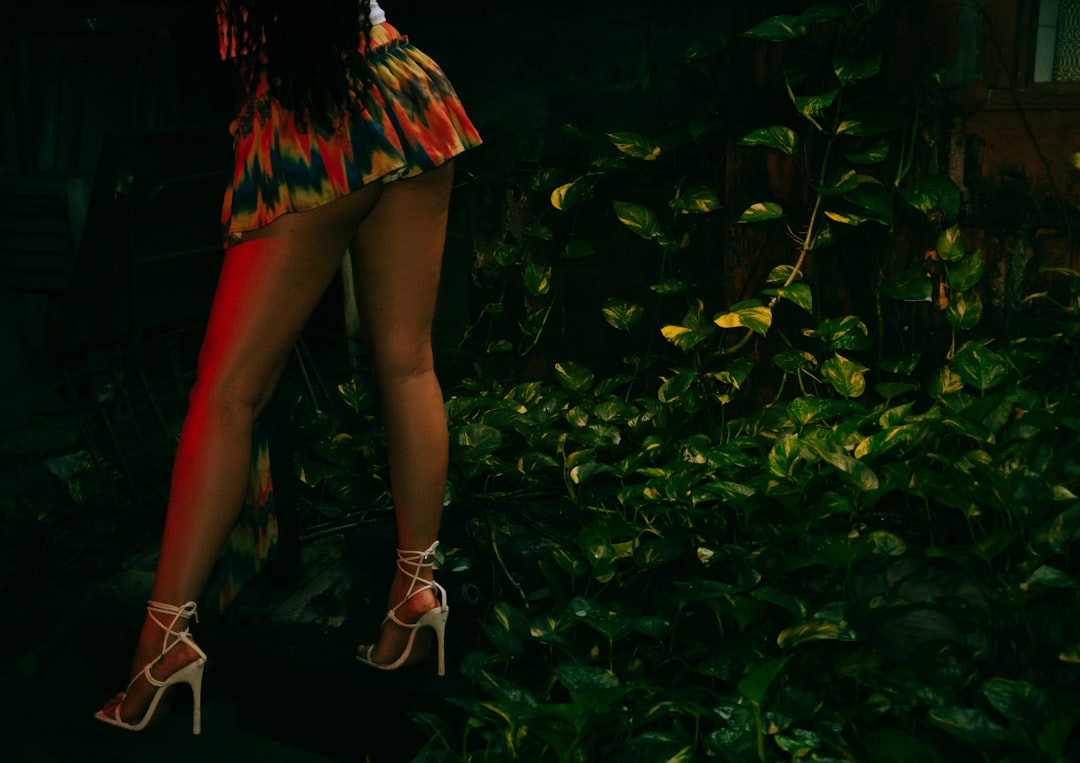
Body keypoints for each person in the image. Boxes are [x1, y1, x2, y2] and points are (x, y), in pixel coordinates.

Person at [95, 0, 481, 733]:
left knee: (226, 393)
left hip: (315, 115)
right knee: (407, 363)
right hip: (402, 82)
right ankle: (415, 591)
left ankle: (163, 644)